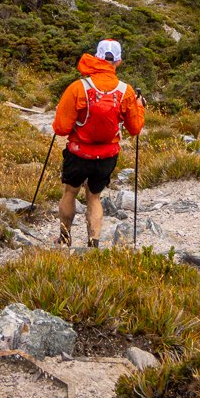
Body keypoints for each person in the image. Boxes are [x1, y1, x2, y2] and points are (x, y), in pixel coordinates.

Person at [51, 39, 145, 249]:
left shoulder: (78, 87)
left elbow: (60, 129)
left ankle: (65, 239)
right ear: (118, 62)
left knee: (70, 192)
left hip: (78, 153)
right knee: (94, 197)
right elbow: (135, 128)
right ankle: (93, 243)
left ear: (97, 57)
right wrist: (140, 106)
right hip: (107, 155)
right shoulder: (126, 91)